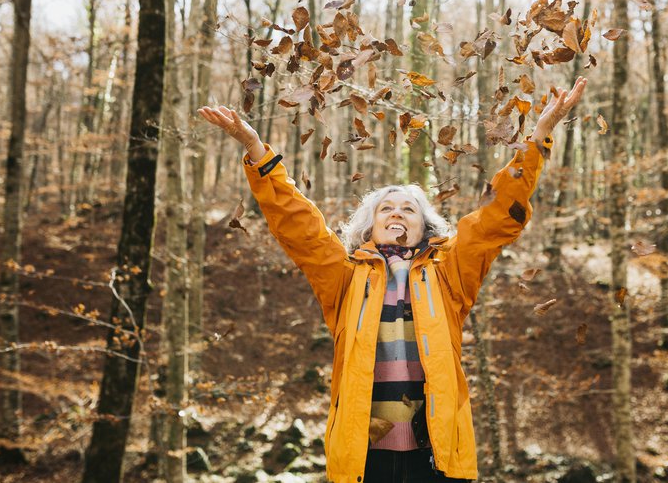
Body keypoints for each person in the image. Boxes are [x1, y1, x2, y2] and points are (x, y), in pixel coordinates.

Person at [198, 76, 587, 483]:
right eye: (386, 209)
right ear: (369, 228)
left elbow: (495, 217)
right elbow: (298, 225)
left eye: (408, 209)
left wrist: (539, 135)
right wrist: (256, 150)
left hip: (436, 458)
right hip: (364, 460)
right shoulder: (345, 275)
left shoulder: (449, 271)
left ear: (425, 228)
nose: (397, 213)